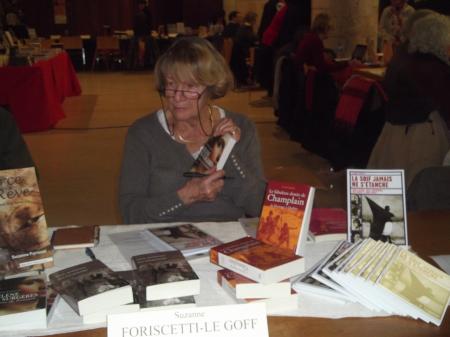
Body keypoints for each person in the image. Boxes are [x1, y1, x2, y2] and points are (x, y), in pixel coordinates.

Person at [119, 37, 266, 224]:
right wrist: (186, 195)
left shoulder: (241, 127)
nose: (177, 97)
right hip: (161, 240)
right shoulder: (143, 133)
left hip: (226, 239)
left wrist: (224, 148)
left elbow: (259, 206)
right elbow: (130, 212)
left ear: (212, 87)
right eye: (171, 84)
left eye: (190, 86)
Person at [367, 12, 450, 187]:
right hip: (422, 134)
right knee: (420, 188)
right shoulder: (434, 66)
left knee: (390, 189)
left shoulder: (402, 58)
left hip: (394, 130)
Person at [229, 11, 259, 89]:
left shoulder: (242, 27)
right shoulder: (247, 28)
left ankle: (247, 80)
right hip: (241, 54)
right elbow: (252, 39)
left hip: (237, 52)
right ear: (253, 20)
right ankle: (250, 80)